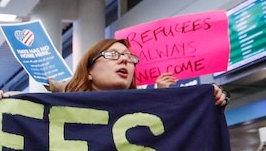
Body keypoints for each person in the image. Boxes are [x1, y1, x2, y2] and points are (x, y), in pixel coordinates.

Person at [63, 38, 228, 105]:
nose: (124, 60)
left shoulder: (146, 110)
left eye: (129, 57)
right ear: (89, 71)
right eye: (113, 55)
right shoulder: (62, 110)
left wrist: (208, 98)